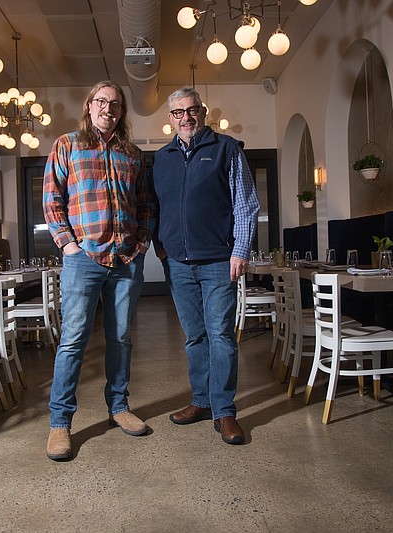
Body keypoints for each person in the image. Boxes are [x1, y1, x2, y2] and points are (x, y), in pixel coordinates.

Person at [42, 80, 156, 461]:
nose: (109, 109)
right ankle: (60, 423)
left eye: (117, 104)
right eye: (102, 102)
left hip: (125, 260)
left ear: (122, 112)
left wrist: (140, 245)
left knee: (121, 338)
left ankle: (119, 407)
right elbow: (52, 198)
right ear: (89, 106)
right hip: (83, 259)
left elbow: (146, 205)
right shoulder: (67, 145)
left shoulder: (134, 155)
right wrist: (68, 244)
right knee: (73, 339)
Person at [152, 87, 259, 445]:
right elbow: (154, 209)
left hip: (218, 262)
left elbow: (245, 204)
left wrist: (240, 250)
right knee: (194, 337)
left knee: (221, 337)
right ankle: (200, 401)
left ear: (203, 111)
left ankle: (224, 411)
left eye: (192, 109)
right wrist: (161, 249)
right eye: (178, 111)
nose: (186, 116)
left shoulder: (225, 149)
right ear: (170, 119)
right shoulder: (162, 158)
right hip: (178, 265)